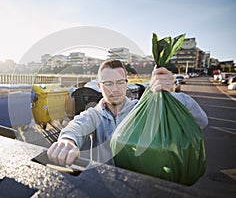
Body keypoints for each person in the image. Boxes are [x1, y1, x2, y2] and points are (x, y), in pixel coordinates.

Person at [47, 59, 208, 166]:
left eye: (119, 83)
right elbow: (77, 125)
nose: (115, 89)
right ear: (99, 87)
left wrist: (168, 95)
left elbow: (201, 120)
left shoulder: (140, 109)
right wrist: (67, 141)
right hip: (104, 185)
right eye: (108, 83)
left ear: (126, 84)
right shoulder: (94, 115)